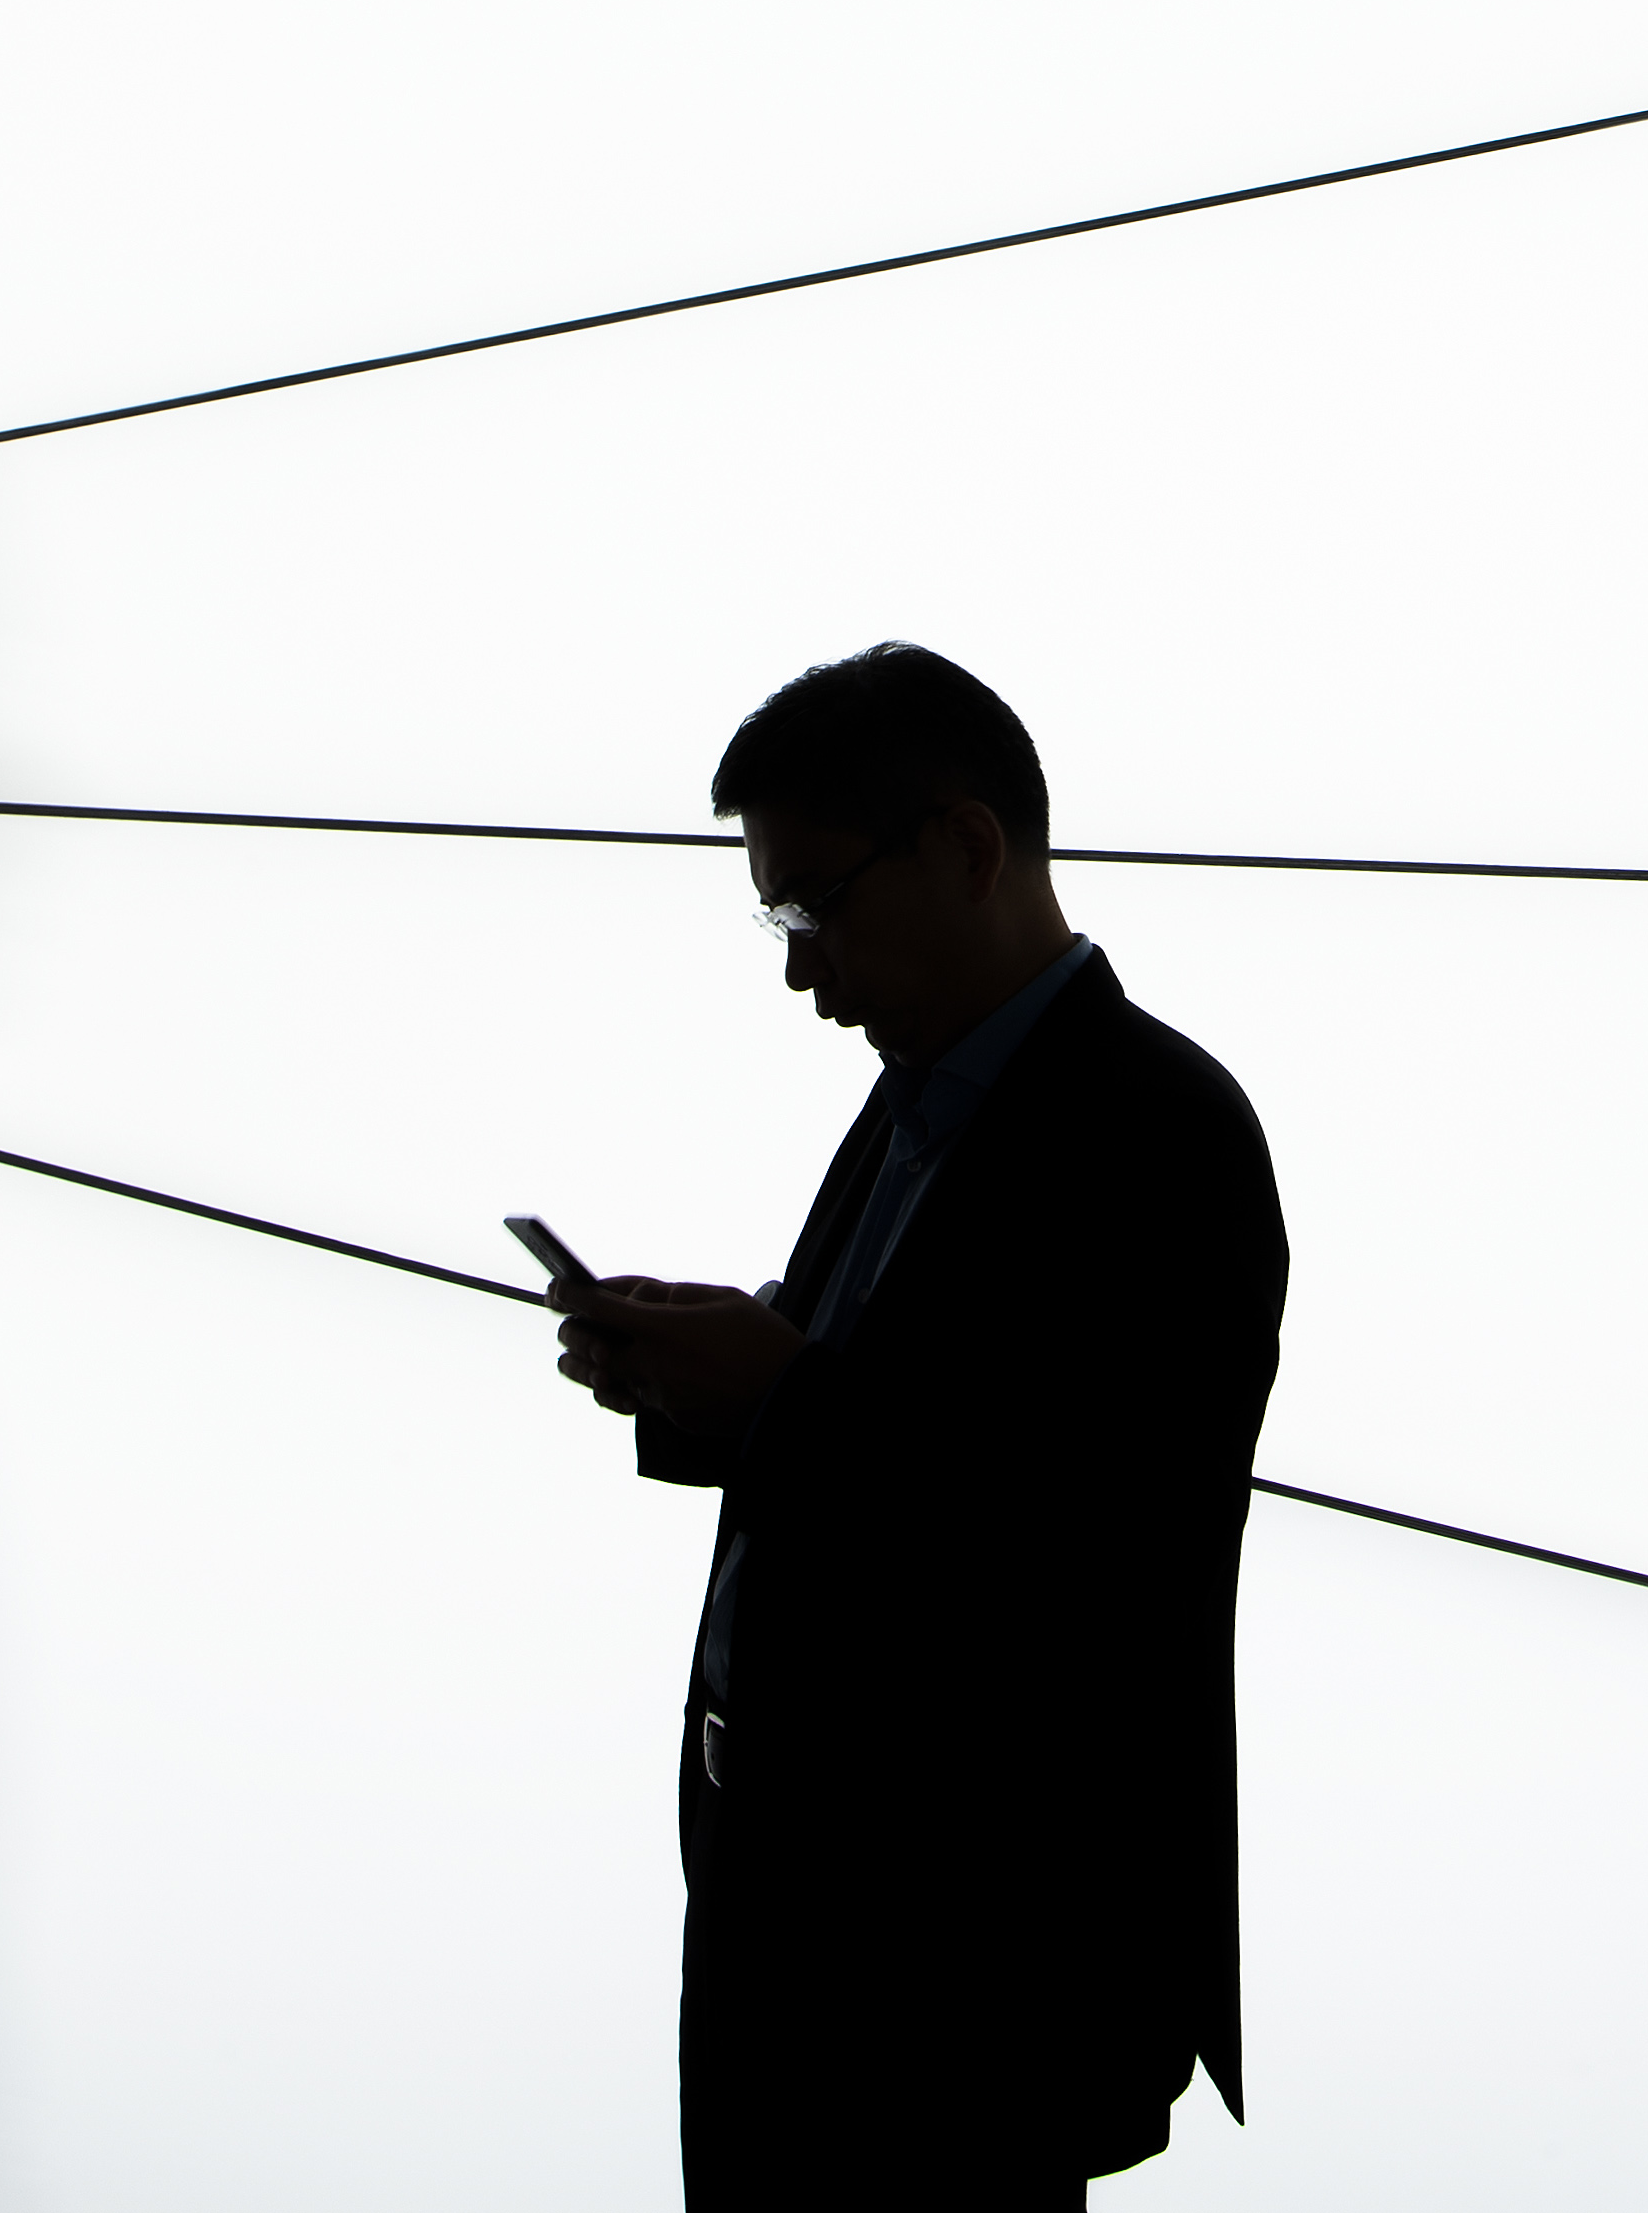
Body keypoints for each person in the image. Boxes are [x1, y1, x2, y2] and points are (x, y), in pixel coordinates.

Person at [551, 643, 1286, 2209]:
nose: (800, 974)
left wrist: (776, 1394)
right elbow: (912, 1407)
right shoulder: (917, 1099)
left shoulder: (1156, 1132)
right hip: (786, 1907)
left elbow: (1084, 1539)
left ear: (965, 846)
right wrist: (705, 1373)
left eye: (815, 908)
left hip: (963, 1962)